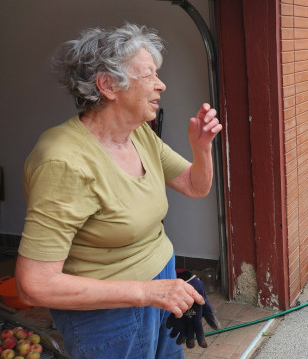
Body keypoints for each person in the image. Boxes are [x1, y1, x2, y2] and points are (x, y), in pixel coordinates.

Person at [15, 23, 222, 358]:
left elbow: (194, 185)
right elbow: (32, 286)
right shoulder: (63, 162)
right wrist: (147, 292)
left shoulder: (139, 134)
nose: (161, 85)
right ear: (108, 85)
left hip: (163, 285)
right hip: (107, 316)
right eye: (149, 76)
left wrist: (202, 149)